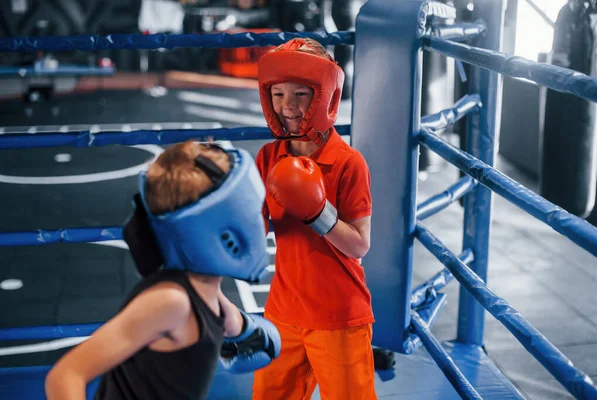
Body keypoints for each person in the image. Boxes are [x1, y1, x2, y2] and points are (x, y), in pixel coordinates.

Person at [45, 141, 281, 400]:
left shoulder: (206, 293)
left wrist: (253, 332)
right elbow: (66, 375)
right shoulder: (170, 302)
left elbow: (232, 322)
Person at [253, 37, 377, 399]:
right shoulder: (268, 156)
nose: (287, 106)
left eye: (300, 94)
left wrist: (317, 212)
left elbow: (360, 244)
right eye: (278, 94)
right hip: (283, 311)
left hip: (337, 316)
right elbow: (254, 228)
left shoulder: (348, 162)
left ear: (324, 95)